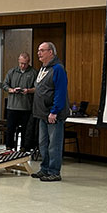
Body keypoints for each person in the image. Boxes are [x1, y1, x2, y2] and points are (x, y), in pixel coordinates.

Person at [32, 42, 69, 182]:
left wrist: (54, 111)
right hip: (42, 113)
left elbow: (60, 91)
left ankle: (54, 171)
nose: (39, 53)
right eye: (38, 50)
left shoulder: (58, 68)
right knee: (43, 143)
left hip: (53, 114)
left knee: (54, 144)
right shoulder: (43, 68)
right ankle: (45, 169)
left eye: (42, 50)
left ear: (51, 52)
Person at [2, 52, 37, 151]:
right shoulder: (12, 72)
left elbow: (37, 88)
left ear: (28, 62)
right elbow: (4, 85)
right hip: (12, 106)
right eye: (21, 63)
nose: (22, 66)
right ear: (18, 61)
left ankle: (24, 147)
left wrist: (28, 90)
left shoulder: (33, 73)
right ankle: (9, 147)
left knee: (26, 129)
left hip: (26, 106)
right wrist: (12, 90)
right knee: (10, 128)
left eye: (25, 64)